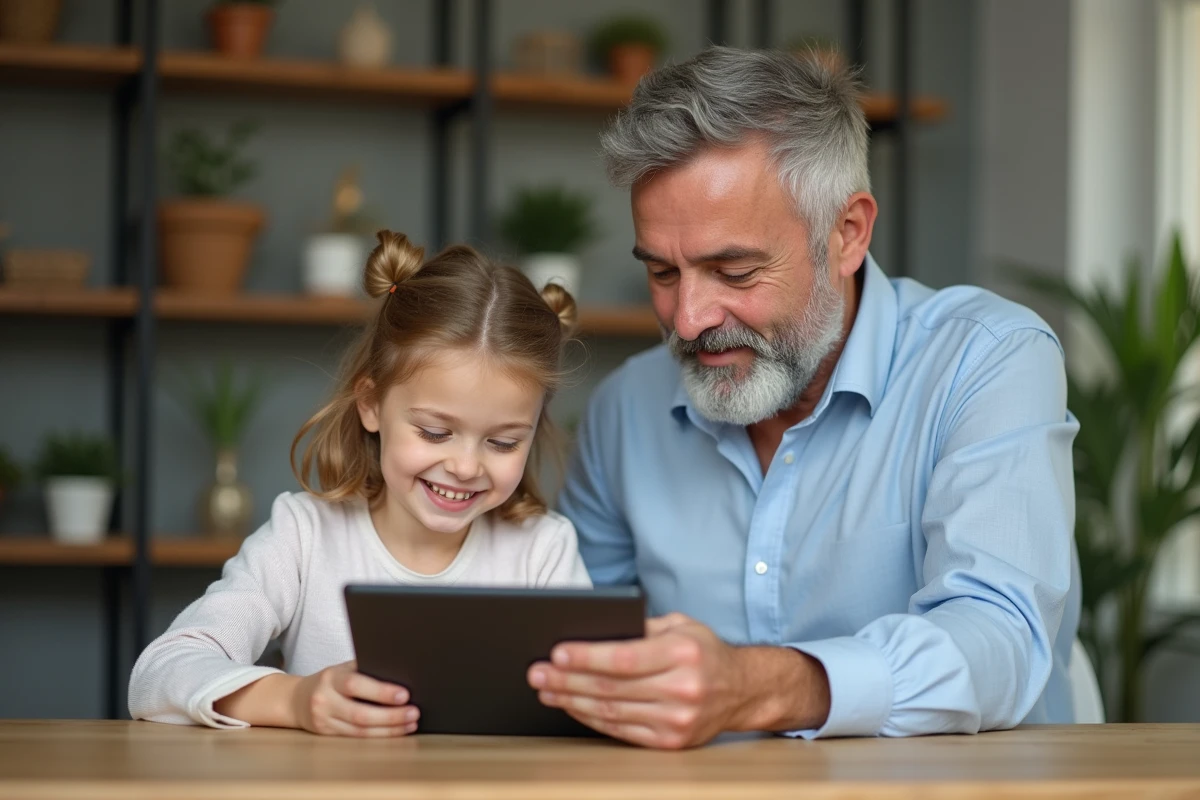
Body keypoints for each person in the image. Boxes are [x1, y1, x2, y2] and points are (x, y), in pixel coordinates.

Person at [528, 46, 1081, 748]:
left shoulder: (988, 361)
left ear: (846, 233)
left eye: (733, 269)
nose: (689, 318)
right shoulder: (625, 410)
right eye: (663, 272)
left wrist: (762, 687)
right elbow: (568, 658)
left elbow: (1000, 642)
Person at [130, 231, 591, 736]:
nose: (465, 466)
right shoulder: (304, 536)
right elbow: (158, 675)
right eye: (435, 432)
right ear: (371, 404)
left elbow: (590, 706)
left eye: (503, 443)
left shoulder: (543, 551)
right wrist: (296, 701)